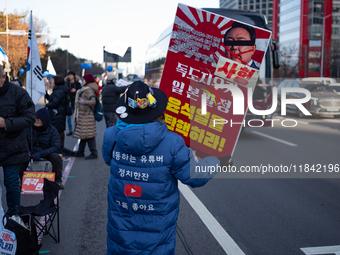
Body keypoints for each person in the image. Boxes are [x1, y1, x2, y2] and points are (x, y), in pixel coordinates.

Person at [102, 81, 223, 255]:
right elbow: (195, 176)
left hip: (120, 224)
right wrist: (215, 160)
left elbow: (109, 160)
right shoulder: (172, 142)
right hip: (157, 234)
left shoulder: (111, 135)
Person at [0, 66, 35, 216]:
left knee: (12, 184)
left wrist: (6, 123)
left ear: (3, 77)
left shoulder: (19, 93)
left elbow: (29, 118)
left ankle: (13, 215)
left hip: (12, 147)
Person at [19, 108, 64, 189]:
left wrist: (41, 154)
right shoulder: (28, 129)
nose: (36, 121)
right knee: (20, 157)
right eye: (35, 118)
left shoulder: (52, 130)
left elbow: (56, 147)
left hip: (46, 153)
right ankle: (19, 180)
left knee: (56, 157)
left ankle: (58, 181)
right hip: (31, 153)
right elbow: (22, 142)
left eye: (39, 119)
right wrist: (28, 151)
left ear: (44, 120)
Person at [73, 73, 98, 160]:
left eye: (83, 79)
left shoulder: (88, 90)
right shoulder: (85, 89)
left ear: (87, 80)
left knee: (89, 135)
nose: (82, 81)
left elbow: (93, 101)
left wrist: (84, 102)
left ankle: (94, 153)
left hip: (87, 115)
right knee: (83, 134)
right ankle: (80, 151)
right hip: (84, 115)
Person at [45, 75, 69, 152]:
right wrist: (46, 94)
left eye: (52, 81)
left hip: (57, 114)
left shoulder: (58, 91)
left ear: (56, 82)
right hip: (59, 114)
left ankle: (59, 147)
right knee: (59, 130)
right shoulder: (59, 90)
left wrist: (47, 105)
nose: (51, 82)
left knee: (58, 131)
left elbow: (55, 102)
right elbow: (53, 99)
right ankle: (60, 147)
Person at [64, 71, 82, 136]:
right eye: (69, 75)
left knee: (76, 117)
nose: (70, 76)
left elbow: (81, 91)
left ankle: (75, 130)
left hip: (76, 102)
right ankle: (70, 130)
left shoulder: (77, 84)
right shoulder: (66, 83)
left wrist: (76, 90)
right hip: (68, 102)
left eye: (71, 75)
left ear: (74, 76)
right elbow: (64, 91)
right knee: (68, 117)